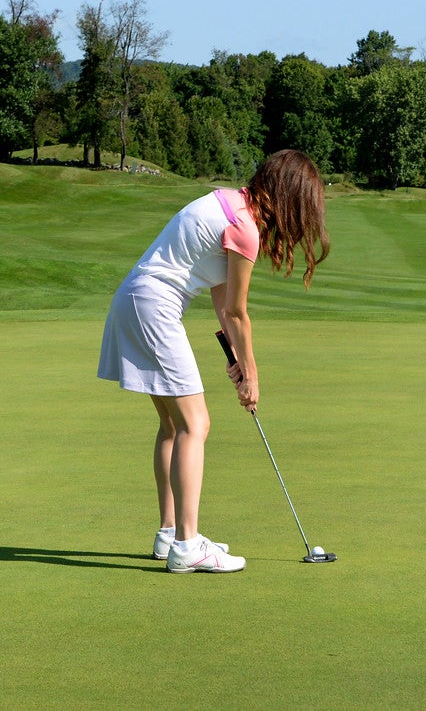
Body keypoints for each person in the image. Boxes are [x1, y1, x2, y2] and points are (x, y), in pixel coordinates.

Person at [98, 149, 330, 573]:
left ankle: (170, 534)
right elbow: (239, 311)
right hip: (154, 306)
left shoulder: (229, 203)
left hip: (133, 298)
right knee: (196, 424)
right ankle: (188, 546)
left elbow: (222, 303)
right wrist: (254, 376)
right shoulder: (245, 228)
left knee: (173, 424)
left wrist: (238, 360)